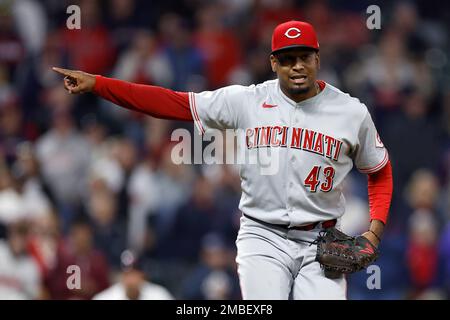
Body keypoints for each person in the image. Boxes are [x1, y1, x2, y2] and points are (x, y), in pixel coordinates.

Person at [53, 20, 393, 299]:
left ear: (317, 58)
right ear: (273, 63)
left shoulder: (350, 112)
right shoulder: (246, 101)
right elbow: (171, 102)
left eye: (304, 56)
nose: (298, 66)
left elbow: (379, 170)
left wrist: (374, 231)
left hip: (322, 240)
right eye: (287, 59)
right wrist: (98, 84)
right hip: (263, 236)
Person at [92, 250, 173, 300]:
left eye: (135, 273)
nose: (131, 279)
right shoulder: (106, 298)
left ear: (143, 275)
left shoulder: (159, 294)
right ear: (122, 276)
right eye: (128, 274)